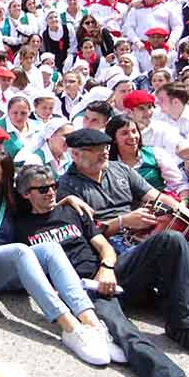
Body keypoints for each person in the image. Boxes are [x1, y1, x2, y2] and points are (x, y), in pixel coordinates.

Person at [17, 164, 186, 377]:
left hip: (110, 272)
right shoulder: (21, 227)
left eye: (54, 186)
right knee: (124, 332)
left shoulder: (72, 211)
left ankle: (182, 323)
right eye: (43, 189)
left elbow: (103, 245)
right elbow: (27, 269)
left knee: (171, 240)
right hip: (81, 290)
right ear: (25, 194)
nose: (51, 192)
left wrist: (107, 267)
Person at [0, 150, 115, 365]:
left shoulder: (12, 200)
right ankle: (71, 328)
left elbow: (43, 196)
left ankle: (92, 324)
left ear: (6, 179)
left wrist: (68, 199)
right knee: (20, 250)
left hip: (6, 269)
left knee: (51, 247)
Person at [56, 128, 189, 349]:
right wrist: (123, 221)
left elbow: (156, 196)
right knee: (171, 241)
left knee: (176, 241)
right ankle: (181, 324)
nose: (104, 153)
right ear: (76, 155)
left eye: (106, 148)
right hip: (111, 262)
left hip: (139, 245)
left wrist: (183, 211)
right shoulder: (67, 187)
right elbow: (84, 236)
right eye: (96, 150)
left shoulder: (120, 170)